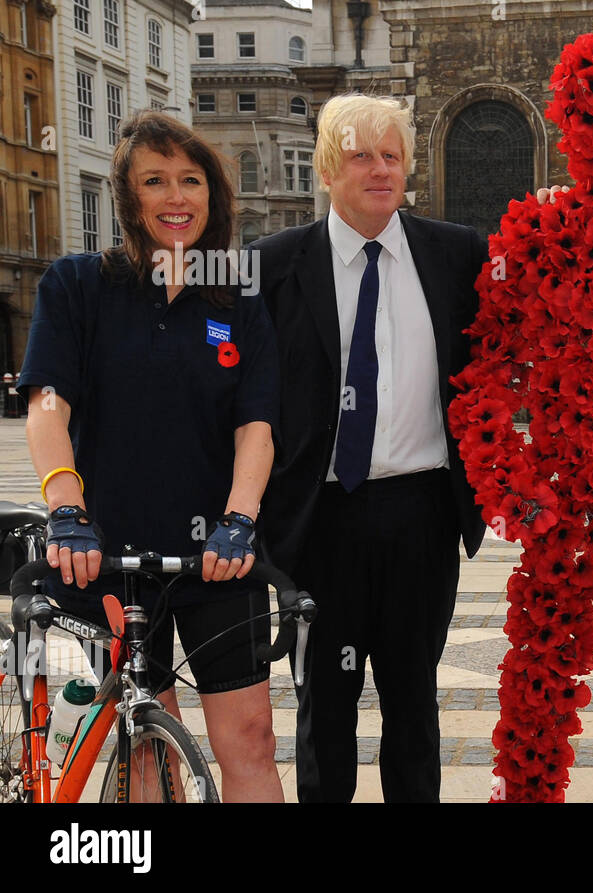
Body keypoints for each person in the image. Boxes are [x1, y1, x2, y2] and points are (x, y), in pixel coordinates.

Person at [18, 110, 282, 801]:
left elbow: (257, 424)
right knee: (147, 738)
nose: (176, 197)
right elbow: (47, 403)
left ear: (211, 196)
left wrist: (241, 518)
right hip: (109, 557)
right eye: (155, 181)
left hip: (218, 559)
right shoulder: (77, 286)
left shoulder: (238, 296)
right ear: (127, 197)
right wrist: (65, 506)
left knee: (250, 735)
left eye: (190, 180)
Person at [251, 94, 487, 802]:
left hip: (422, 514)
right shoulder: (271, 265)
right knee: (325, 708)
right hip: (320, 520)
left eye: (392, 155)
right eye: (361, 155)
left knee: (414, 705)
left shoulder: (457, 254)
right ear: (327, 168)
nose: (379, 169)